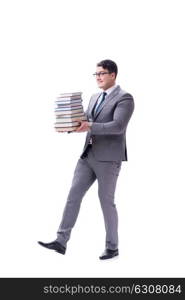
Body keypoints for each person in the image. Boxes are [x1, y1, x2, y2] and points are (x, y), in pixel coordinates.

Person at [38, 59, 135, 260]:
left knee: (106, 202)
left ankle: (112, 247)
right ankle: (61, 241)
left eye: (102, 73)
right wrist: (69, 125)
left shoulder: (125, 98)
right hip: (88, 155)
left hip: (108, 159)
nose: (98, 77)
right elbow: (85, 121)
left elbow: (118, 126)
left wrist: (89, 125)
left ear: (113, 75)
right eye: (96, 74)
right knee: (73, 196)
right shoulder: (93, 97)